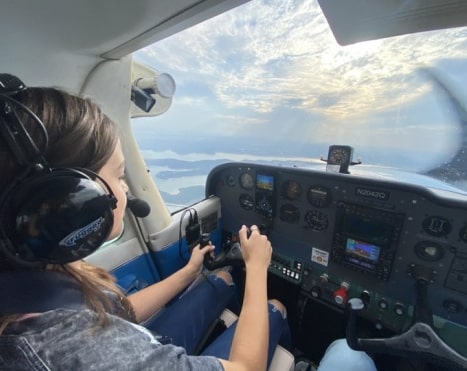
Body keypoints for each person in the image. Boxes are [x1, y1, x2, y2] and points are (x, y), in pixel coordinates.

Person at [0, 84, 377, 371]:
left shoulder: (36, 287)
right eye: (118, 175)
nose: (127, 187)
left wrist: (189, 271)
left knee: (223, 280)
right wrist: (259, 266)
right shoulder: (81, 350)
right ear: (72, 204)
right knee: (312, 330)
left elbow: (116, 311)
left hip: (133, 339)